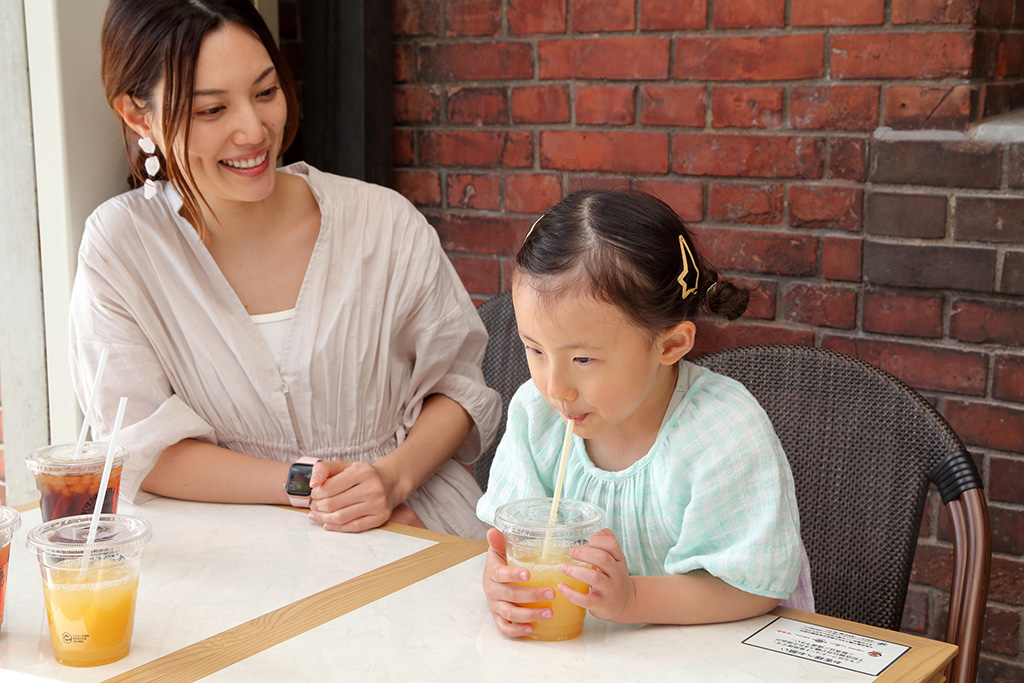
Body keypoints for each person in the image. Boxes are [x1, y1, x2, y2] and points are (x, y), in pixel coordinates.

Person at [68, 0, 500, 540]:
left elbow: (458, 386)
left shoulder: (382, 221)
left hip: (408, 519)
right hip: (235, 549)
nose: (254, 130)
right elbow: (139, 446)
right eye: (211, 110)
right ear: (137, 115)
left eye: (265, 92)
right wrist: (311, 488)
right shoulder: (121, 246)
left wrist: (390, 480)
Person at [477, 189, 814, 636]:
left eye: (583, 360)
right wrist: (500, 584)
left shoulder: (721, 431)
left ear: (670, 345)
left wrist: (632, 598)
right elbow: (506, 544)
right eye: (534, 349)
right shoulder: (537, 414)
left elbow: (753, 588)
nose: (555, 387)